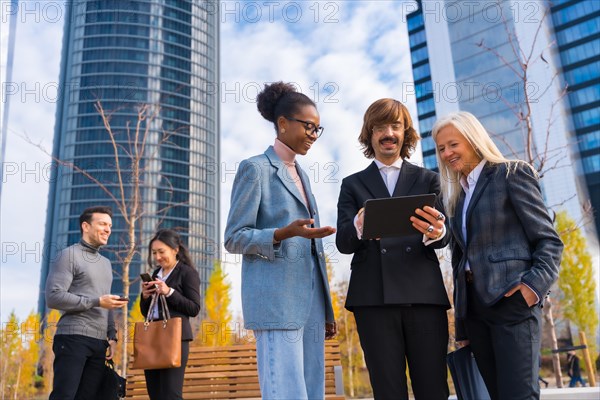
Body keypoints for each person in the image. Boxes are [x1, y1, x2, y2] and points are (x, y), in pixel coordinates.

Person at [432, 111, 564, 400]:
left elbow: (549, 242)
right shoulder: (458, 196)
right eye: (441, 149)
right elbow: (459, 262)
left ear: (473, 139)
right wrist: (463, 323)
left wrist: (530, 290)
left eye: (453, 144)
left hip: (512, 303)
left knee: (518, 396)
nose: (446, 153)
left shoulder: (512, 173)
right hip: (476, 311)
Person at [224, 81, 337, 399]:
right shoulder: (254, 169)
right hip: (276, 301)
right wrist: (282, 233)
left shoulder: (302, 176)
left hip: (311, 303)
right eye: (309, 127)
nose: (314, 135)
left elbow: (312, 248)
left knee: (313, 392)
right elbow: (234, 238)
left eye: (318, 129)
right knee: (285, 392)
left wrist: (326, 310)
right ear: (283, 123)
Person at [336, 98, 451, 399]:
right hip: (373, 298)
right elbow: (343, 243)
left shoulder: (429, 179)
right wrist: (360, 226)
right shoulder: (352, 184)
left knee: (433, 388)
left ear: (406, 133)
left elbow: (445, 235)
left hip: (424, 296)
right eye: (380, 127)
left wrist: (438, 231)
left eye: (396, 126)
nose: (388, 133)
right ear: (369, 134)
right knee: (387, 391)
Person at [46, 205, 128, 400]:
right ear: (86, 226)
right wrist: (96, 301)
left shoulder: (106, 264)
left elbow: (106, 304)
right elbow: (54, 296)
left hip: (99, 343)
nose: (108, 229)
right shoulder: (68, 255)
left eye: (110, 225)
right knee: (64, 396)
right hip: (73, 338)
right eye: (102, 224)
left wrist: (112, 337)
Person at [140, 229, 201, 400]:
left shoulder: (187, 273)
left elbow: (194, 308)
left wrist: (169, 292)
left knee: (170, 394)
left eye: (161, 252)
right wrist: (145, 296)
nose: (157, 257)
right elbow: (146, 312)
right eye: (154, 253)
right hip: (153, 338)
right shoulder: (155, 274)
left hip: (175, 339)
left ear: (175, 250)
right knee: (155, 394)